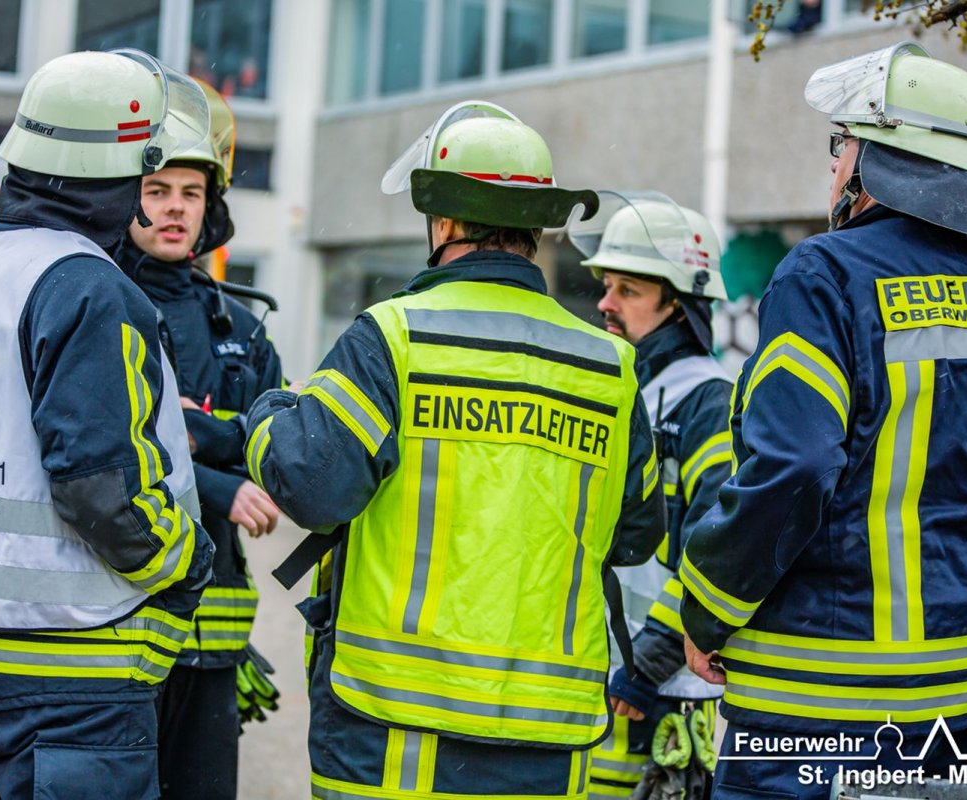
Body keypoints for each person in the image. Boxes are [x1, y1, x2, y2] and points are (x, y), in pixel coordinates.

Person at [242, 100, 666, 798]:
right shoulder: (609, 365)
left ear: (442, 222)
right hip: (546, 734)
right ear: (534, 227)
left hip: (393, 726)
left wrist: (270, 411)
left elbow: (315, 488)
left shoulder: (392, 336)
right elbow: (635, 537)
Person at [679, 42, 967, 799]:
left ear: (874, 158)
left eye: (841, 148)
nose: (833, 168)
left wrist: (706, 606)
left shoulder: (822, 275)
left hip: (817, 716)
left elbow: (792, 468)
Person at [0, 49, 216, 799]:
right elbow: (103, 493)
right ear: (123, 173)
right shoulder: (89, 290)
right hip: (71, 678)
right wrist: (186, 561)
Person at [115, 79, 284, 800]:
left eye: (190, 190)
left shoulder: (241, 330)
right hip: (116, 628)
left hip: (213, 636)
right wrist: (217, 464)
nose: (175, 206)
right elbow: (106, 451)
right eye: (156, 189)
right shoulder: (96, 302)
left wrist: (193, 427)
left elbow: (279, 450)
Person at [568, 193, 731, 798]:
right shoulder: (626, 385)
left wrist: (647, 662)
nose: (605, 304)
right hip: (607, 681)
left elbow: (715, 542)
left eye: (628, 291)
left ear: (681, 303)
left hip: (657, 699)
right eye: (607, 286)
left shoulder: (706, 400)